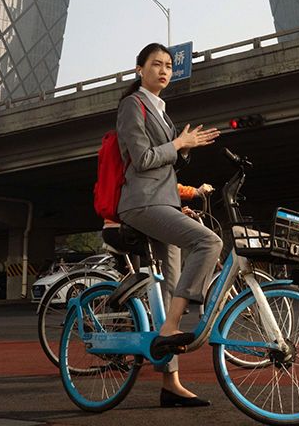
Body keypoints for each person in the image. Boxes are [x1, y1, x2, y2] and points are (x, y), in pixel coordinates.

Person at [115, 43, 221, 408]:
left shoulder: (161, 110)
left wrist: (185, 146)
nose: (164, 70)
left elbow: (168, 165)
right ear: (139, 69)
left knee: (172, 287)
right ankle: (169, 329)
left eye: (168, 66)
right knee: (208, 243)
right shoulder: (133, 105)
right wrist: (179, 142)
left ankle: (170, 382)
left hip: (162, 202)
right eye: (156, 64)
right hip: (141, 203)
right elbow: (143, 159)